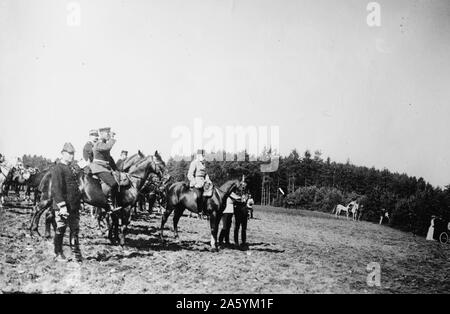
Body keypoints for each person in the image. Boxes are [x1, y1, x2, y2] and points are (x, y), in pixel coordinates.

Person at [51, 142, 83, 262]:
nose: (71, 156)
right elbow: (56, 189)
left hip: (74, 206)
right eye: (69, 154)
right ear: (62, 154)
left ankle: (75, 254)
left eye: (73, 154)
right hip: (63, 207)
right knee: (61, 229)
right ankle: (58, 253)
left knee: (75, 230)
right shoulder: (58, 168)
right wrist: (62, 206)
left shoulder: (71, 168)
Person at [90, 127, 120, 210]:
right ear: (102, 134)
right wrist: (112, 138)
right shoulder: (99, 144)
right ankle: (109, 203)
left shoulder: (103, 143)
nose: (109, 135)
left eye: (109, 134)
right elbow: (107, 147)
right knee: (113, 184)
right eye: (107, 134)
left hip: (104, 168)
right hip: (98, 168)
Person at [187, 149, 213, 213]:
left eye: (204, 155)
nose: (204, 157)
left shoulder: (203, 164)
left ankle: (206, 209)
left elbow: (205, 174)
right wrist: (195, 183)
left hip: (203, 182)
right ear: (198, 155)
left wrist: (209, 180)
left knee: (210, 194)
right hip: (196, 183)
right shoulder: (194, 163)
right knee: (199, 195)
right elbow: (190, 174)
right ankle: (199, 210)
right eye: (202, 155)